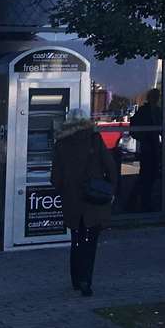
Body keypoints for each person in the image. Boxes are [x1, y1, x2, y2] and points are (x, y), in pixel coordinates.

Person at [50, 116, 117, 297]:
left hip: (73, 200)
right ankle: (86, 280)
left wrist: (64, 189)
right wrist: (111, 188)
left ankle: (75, 278)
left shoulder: (61, 144)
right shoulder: (95, 140)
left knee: (77, 239)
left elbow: (55, 178)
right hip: (93, 199)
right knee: (90, 241)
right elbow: (110, 166)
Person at [130, 89, 165, 212]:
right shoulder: (144, 111)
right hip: (147, 147)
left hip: (154, 146)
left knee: (151, 175)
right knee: (146, 176)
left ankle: (143, 201)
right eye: (155, 96)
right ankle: (139, 202)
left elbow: (161, 127)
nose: (157, 99)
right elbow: (134, 128)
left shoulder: (157, 110)